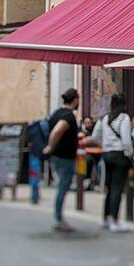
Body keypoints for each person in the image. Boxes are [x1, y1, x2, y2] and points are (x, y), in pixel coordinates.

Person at [91, 93, 133, 232]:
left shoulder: (104, 118)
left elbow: (95, 136)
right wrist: (129, 154)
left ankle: (105, 218)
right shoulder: (124, 118)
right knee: (117, 188)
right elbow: (126, 140)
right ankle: (114, 220)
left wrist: (104, 144)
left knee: (109, 188)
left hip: (107, 154)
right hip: (120, 155)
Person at [43, 87, 81, 232]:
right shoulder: (68, 116)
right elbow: (57, 130)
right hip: (64, 157)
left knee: (62, 186)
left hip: (58, 156)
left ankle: (58, 217)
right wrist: (51, 146)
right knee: (62, 187)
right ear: (75, 100)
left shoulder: (56, 113)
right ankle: (57, 218)